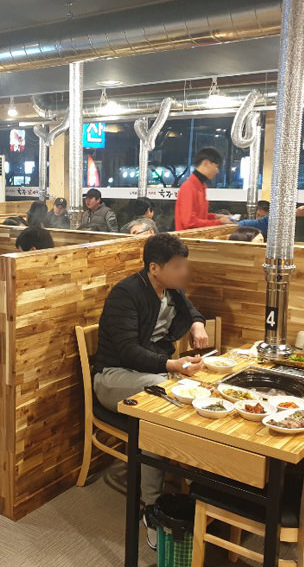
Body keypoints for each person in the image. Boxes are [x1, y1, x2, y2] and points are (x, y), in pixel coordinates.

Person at [92, 233, 208, 549]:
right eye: (178, 266)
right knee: (161, 407)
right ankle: (151, 507)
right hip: (113, 376)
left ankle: (197, 484)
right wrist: (172, 365)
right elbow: (128, 351)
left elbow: (191, 310)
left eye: (185, 264)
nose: (185, 272)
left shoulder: (172, 290)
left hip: (150, 373)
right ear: (154, 268)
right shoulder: (126, 294)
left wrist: (197, 324)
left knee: (191, 396)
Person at [174, 148, 233, 230]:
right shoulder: (189, 186)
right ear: (206, 163)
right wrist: (219, 222)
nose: (217, 171)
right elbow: (189, 222)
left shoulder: (201, 186)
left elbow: (200, 217)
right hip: (188, 237)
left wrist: (216, 217)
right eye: (216, 167)